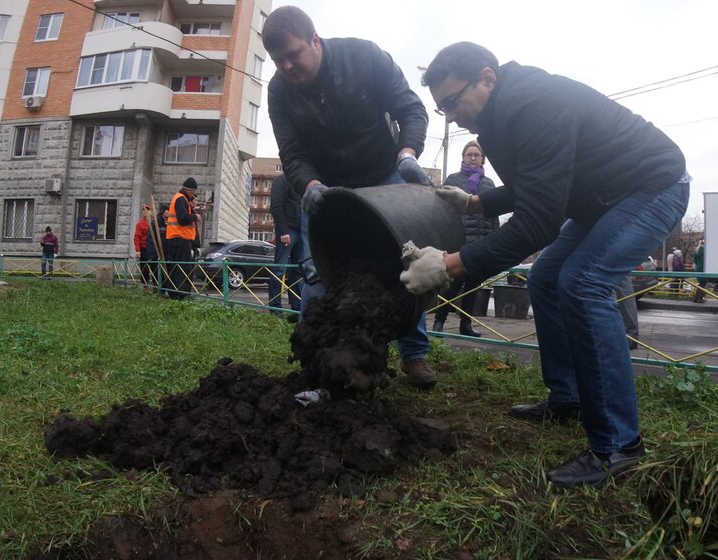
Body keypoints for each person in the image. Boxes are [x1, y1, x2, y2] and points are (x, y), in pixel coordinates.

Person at [403, 42, 689, 487]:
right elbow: (534, 183)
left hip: (653, 185)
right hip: (601, 200)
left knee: (583, 283)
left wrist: (450, 264)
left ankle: (619, 443)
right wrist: (478, 202)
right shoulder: (497, 116)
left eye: (452, 101)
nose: (449, 116)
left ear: (487, 78)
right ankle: (569, 397)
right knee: (547, 278)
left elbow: (537, 222)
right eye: (441, 107)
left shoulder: (533, 103)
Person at [263, 6, 437, 389]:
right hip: (327, 188)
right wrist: (309, 186)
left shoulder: (363, 57)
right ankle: (318, 362)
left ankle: (414, 355)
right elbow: (291, 152)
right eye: (279, 60)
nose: (288, 66)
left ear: (315, 40)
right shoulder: (279, 91)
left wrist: (407, 153)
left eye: (294, 54)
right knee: (318, 272)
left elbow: (410, 108)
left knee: (406, 263)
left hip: (384, 173)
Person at [431, 141, 498, 337]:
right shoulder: (454, 179)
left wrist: (494, 237)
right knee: (453, 284)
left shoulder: (489, 184)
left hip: (481, 241)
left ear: (482, 158)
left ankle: (465, 325)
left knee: (473, 287)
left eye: (477, 155)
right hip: (458, 240)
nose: (473, 158)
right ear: (463, 157)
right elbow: (442, 209)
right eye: (469, 154)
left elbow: (494, 213)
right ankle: (439, 321)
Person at [268, 174, 304, 317]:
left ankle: (297, 307)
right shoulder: (281, 181)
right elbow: (276, 206)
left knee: (298, 271)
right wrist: (283, 231)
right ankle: (275, 309)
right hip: (287, 230)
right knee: (279, 269)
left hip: (301, 230)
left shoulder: (300, 182)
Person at [165, 177, 200, 300]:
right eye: (193, 192)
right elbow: (183, 219)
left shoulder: (179, 198)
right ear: (189, 190)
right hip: (181, 238)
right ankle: (180, 294)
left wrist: (192, 210)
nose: (194, 195)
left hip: (175, 237)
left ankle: (173, 293)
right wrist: (195, 216)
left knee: (175, 266)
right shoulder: (181, 199)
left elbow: (182, 215)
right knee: (182, 266)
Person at [133, 204, 152, 285]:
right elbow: (137, 237)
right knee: (144, 267)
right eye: (144, 210)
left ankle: (157, 284)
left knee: (156, 266)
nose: (146, 212)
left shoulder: (154, 222)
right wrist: (138, 250)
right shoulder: (140, 224)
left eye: (148, 210)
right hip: (144, 248)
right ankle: (144, 284)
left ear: (151, 212)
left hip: (154, 248)